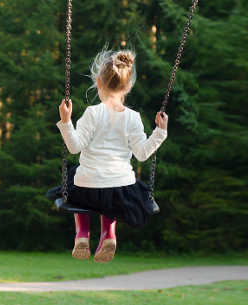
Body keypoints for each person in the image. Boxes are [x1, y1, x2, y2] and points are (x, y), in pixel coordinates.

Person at [56, 49, 168, 262]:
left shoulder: (92, 113)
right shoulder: (133, 118)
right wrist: (160, 132)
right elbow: (143, 153)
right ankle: (109, 234)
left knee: (76, 180)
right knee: (112, 192)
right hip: (120, 189)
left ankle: (82, 234)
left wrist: (66, 121)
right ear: (128, 87)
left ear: (98, 82)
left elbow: (74, 147)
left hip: (87, 187)